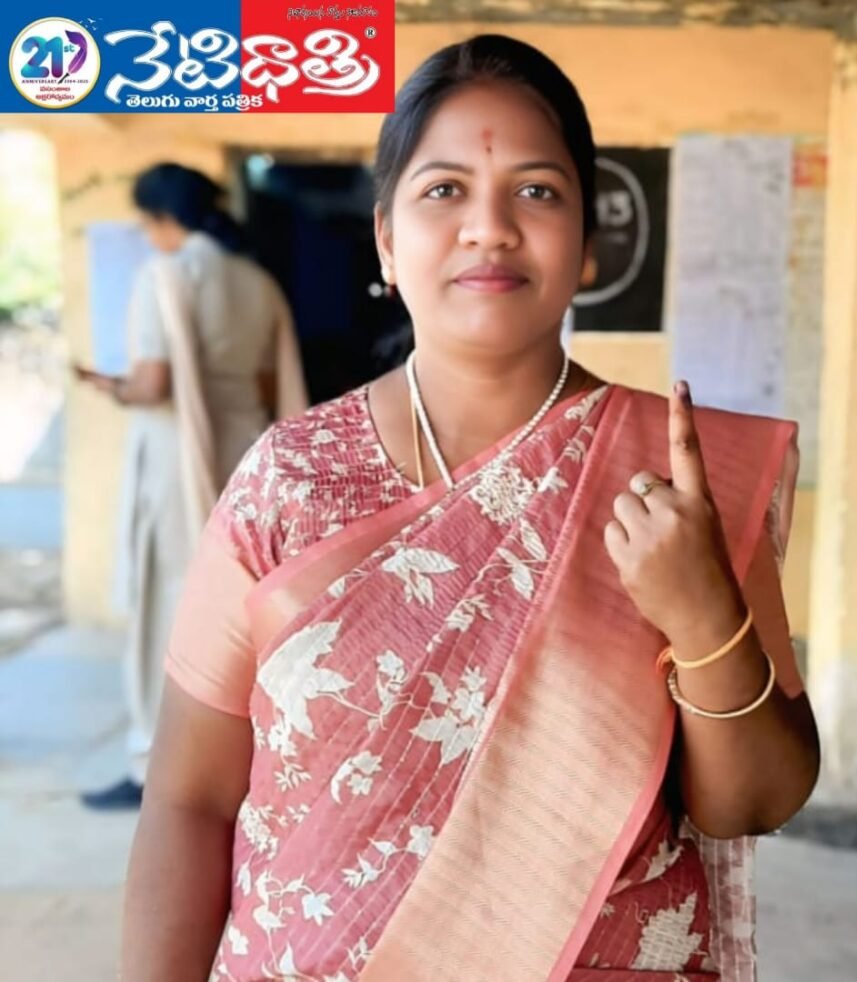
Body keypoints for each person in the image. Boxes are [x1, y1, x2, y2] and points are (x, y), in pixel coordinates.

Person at [122, 37, 819, 980]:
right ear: (385, 240)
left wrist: (703, 616)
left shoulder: (675, 475)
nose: (489, 227)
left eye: (536, 191)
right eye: (443, 190)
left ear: (590, 245)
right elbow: (189, 799)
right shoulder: (290, 478)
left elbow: (754, 802)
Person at [75, 163, 308, 810]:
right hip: (247, 459)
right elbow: (268, 388)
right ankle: (245, 761)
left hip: (180, 461)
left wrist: (109, 386)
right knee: (242, 612)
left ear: (162, 221)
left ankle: (156, 762)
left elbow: (152, 385)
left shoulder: (166, 277)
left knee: (168, 608)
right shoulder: (258, 283)